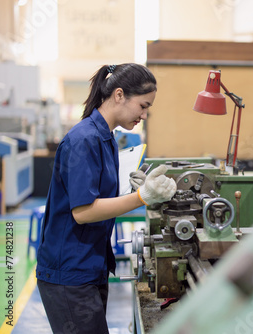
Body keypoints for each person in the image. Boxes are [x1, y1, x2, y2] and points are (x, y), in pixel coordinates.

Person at [36, 63, 176, 334]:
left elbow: (94, 194)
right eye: (143, 106)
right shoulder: (83, 140)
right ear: (119, 95)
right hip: (69, 273)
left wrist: (129, 188)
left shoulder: (106, 138)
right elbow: (84, 211)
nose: (145, 115)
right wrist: (142, 197)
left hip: (90, 265)